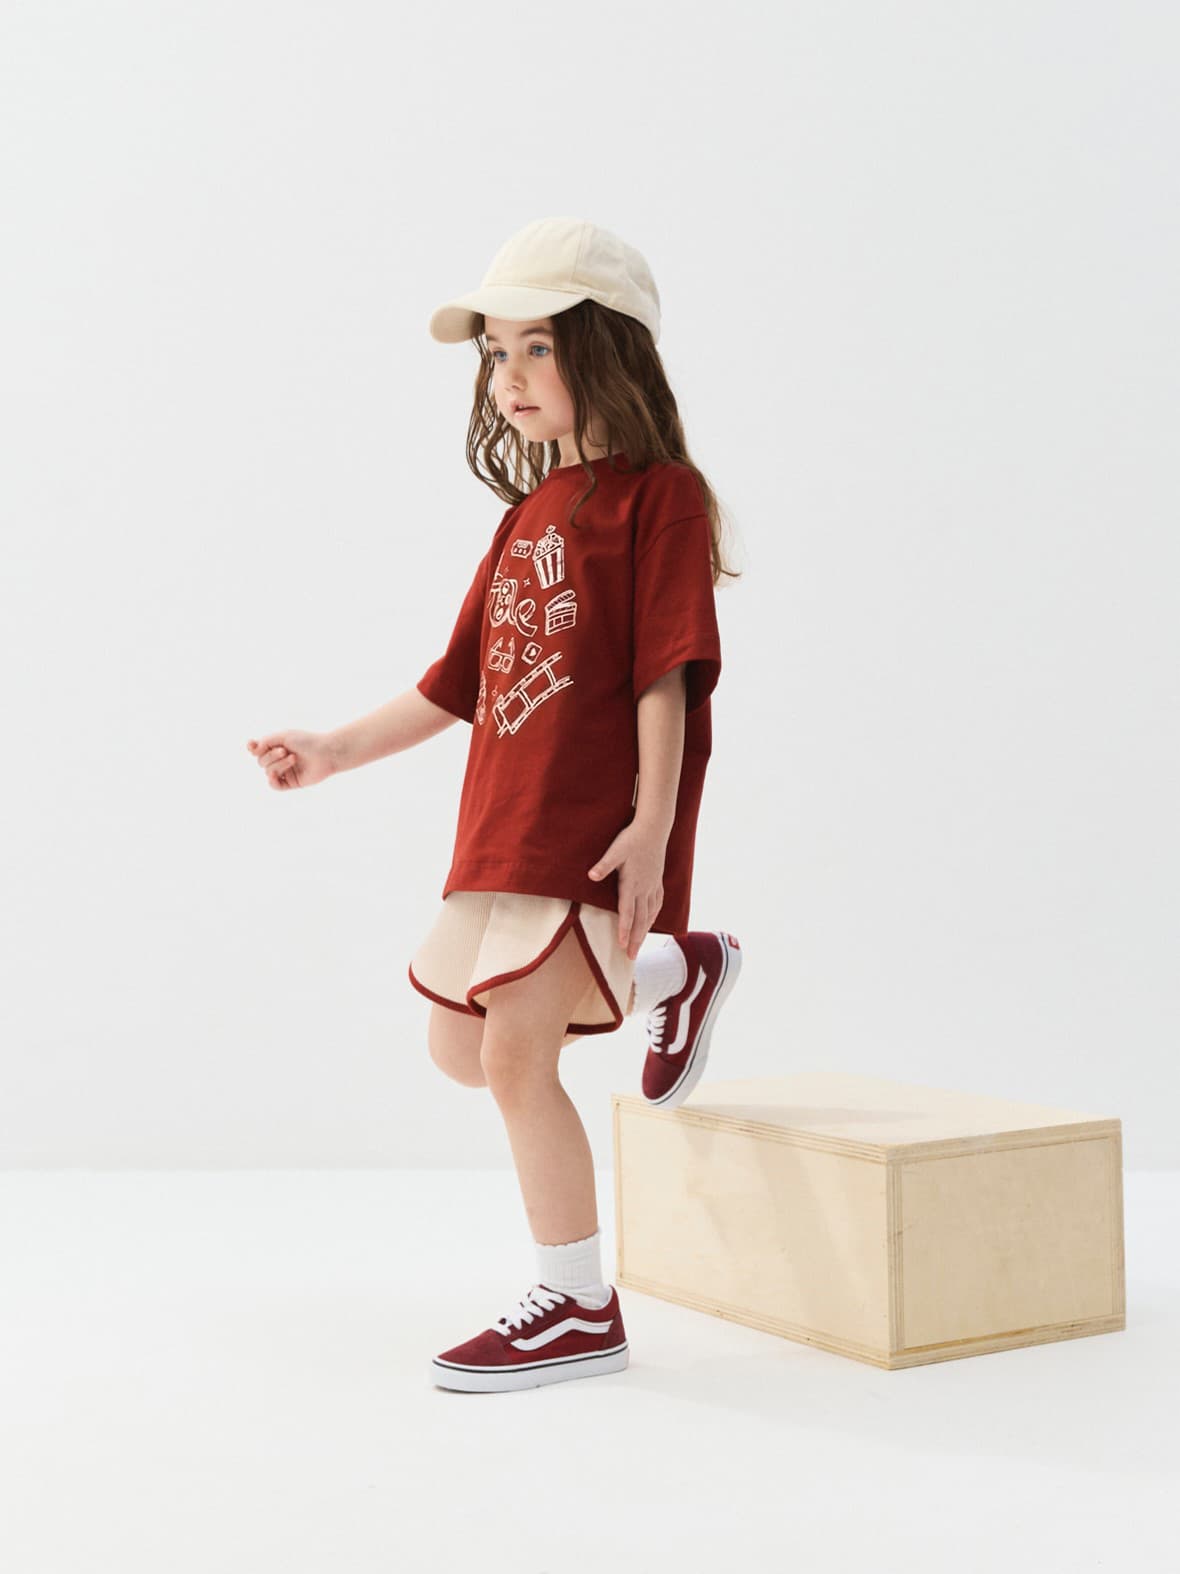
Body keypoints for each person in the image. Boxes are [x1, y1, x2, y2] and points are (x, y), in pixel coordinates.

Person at [246, 216, 744, 1395]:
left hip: (589, 823)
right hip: (499, 828)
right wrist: (334, 748)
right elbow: (455, 682)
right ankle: (675, 973)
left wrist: (652, 824)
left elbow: (666, 672)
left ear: (607, 350)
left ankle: (577, 1302)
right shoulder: (526, 514)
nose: (507, 376)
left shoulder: (660, 497)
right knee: (461, 1047)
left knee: (519, 1056)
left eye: (536, 347)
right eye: (495, 353)